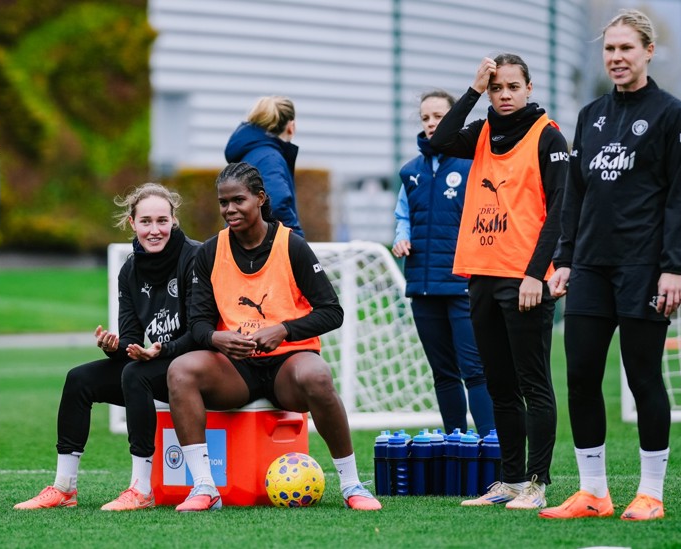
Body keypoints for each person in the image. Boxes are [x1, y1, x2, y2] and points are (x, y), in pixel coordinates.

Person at [541, 10, 681, 521]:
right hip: (589, 266)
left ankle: (651, 493)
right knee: (582, 376)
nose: (616, 58)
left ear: (648, 51)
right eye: (610, 49)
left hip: (645, 269)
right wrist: (564, 258)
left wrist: (671, 268)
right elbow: (576, 196)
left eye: (626, 49)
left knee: (643, 377)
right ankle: (594, 493)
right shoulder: (590, 115)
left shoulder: (674, 115)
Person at [166, 162, 381, 512]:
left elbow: (332, 311)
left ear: (260, 199)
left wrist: (284, 330)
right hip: (236, 369)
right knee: (180, 370)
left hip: (289, 367)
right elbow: (199, 324)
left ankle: (352, 484)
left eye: (239, 200)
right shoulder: (209, 252)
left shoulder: (292, 246)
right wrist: (218, 340)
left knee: (318, 375)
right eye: (224, 202)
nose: (230, 209)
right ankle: (204, 487)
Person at [430, 54, 568, 510]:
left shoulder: (548, 137)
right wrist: (471, 89)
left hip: (525, 279)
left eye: (513, 86)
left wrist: (536, 274)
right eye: (497, 88)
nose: (505, 95)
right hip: (482, 276)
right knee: (499, 386)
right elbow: (440, 140)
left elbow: (559, 213)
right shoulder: (482, 131)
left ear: (530, 87)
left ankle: (537, 482)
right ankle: (509, 481)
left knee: (534, 383)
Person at [14, 183, 201, 511]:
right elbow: (130, 339)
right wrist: (114, 347)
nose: (154, 230)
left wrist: (161, 350)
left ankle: (141, 489)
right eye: (146, 221)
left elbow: (202, 330)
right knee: (79, 379)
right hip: (155, 363)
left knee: (136, 375)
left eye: (161, 221)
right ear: (132, 223)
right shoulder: (129, 269)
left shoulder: (195, 257)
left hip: (195, 364)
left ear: (174, 220)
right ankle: (64, 488)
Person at [392, 90, 496, 437]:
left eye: (439, 116)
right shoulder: (410, 172)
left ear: (455, 118)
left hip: (463, 284)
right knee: (444, 372)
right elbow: (403, 216)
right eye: (426, 118)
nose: (432, 123)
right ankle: (457, 441)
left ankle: (490, 444)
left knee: (475, 369)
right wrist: (401, 237)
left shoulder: (472, 166)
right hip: (422, 286)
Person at [224, 96, 304, 237]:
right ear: (291, 127)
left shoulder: (250, 153)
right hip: (265, 250)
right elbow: (276, 204)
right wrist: (297, 241)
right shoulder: (270, 158)